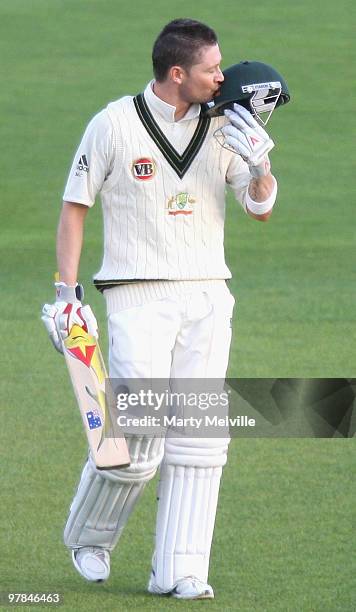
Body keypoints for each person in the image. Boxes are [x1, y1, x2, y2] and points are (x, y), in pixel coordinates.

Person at [42, 18, 278, 600]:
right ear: (178, 74)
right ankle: (91, 535)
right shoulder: (114, 124)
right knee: (138, 430)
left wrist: (261, 170)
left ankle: (181, 570)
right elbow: (76, 206)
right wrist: (66, 294)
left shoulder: (225, 126)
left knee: (199, 437)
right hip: (135, 293)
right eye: (211, 69)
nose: (223, 77)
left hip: (207, 293)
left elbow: (259, 210)